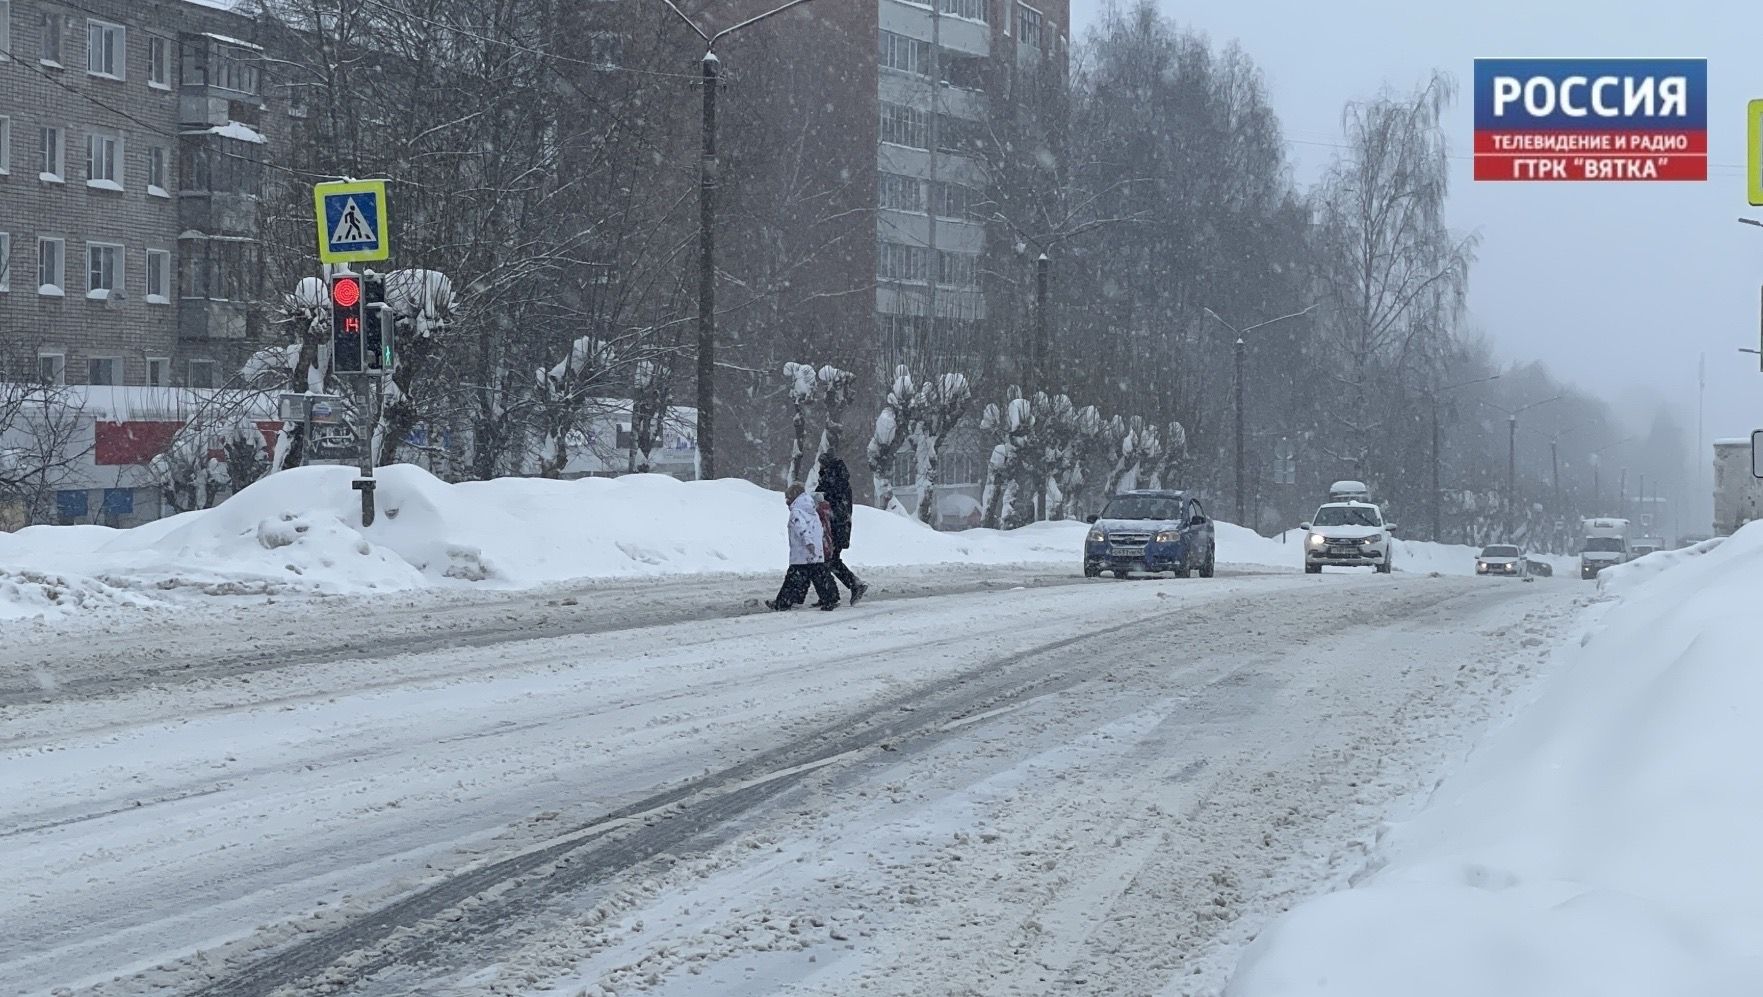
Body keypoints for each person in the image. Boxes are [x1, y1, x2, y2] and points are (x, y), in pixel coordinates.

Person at [766, 483, 840, 611]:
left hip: (802, 552)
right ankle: (830, 598)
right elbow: (818, 528)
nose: (786, 501)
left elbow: (801, 528)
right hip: (815, 550)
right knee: (819, 575)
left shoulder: (797, 511)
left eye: (788, 498)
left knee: (793, 578)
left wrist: (808, 542)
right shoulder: (811, 509)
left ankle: (783, 602)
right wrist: (816, 545)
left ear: (793, 497)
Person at [816, 451, 868, 605]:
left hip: (833, 526)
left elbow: (823, 499)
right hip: (840, 526)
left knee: (829, 560)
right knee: (830, 560)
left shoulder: (831, 481)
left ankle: (850, 586)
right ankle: (830, 594)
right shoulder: (841, 481)